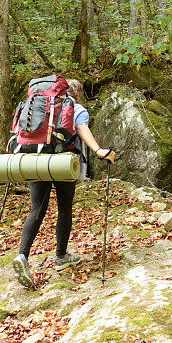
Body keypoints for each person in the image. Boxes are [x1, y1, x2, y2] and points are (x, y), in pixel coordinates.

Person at [11, 79, 117, 288]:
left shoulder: (38, 107)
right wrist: (98, 150)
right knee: (64, 207)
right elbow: (81, 127)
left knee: (37, 209)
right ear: (76, 94)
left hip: (35, 158)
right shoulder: (75, 108)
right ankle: (60, 256)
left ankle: (23, 255)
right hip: (62, 161)